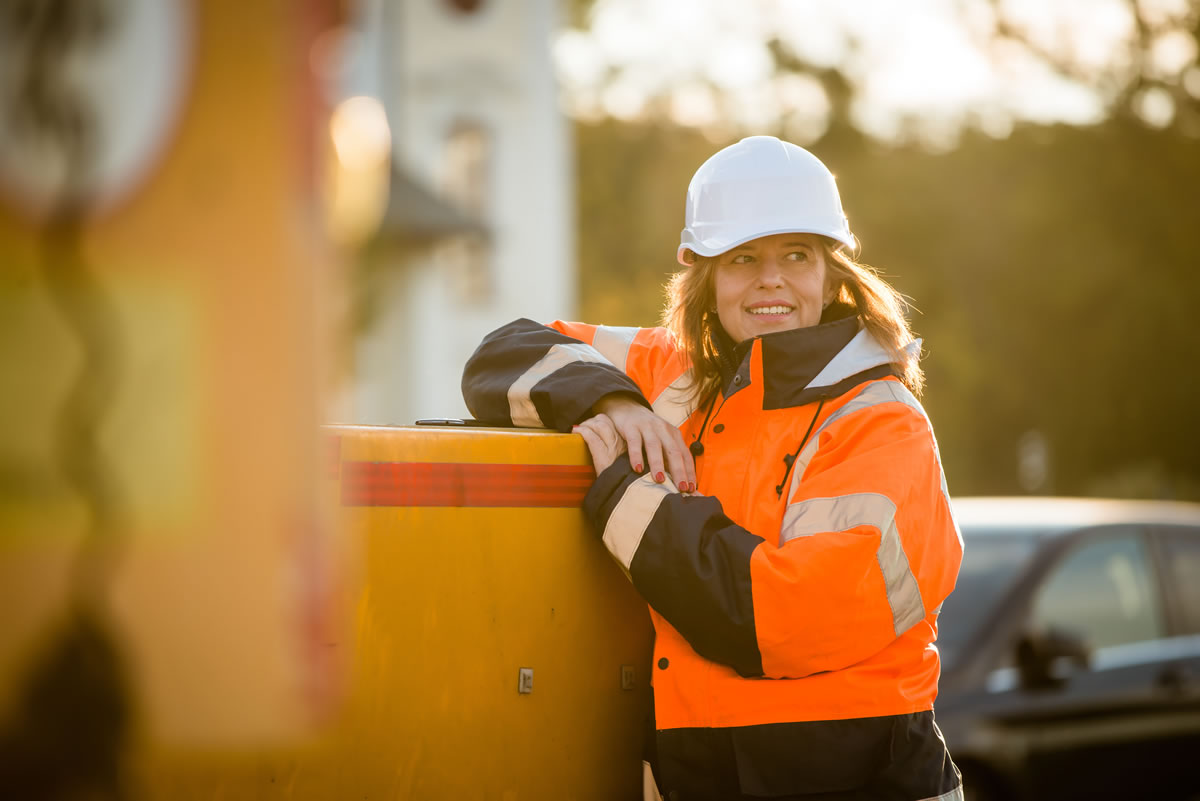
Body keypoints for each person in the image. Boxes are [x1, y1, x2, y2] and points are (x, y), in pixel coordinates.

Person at [462, 135, 964, 801]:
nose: (771, 279)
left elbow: (776, 619)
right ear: (705, 273)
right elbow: (501, 355)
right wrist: (613, 399)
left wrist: (623, 497)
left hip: (861, 777)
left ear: (832, 273)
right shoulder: (671, 372)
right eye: (743, 258)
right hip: (698, 770)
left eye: (796, 254)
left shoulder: (882, 421)